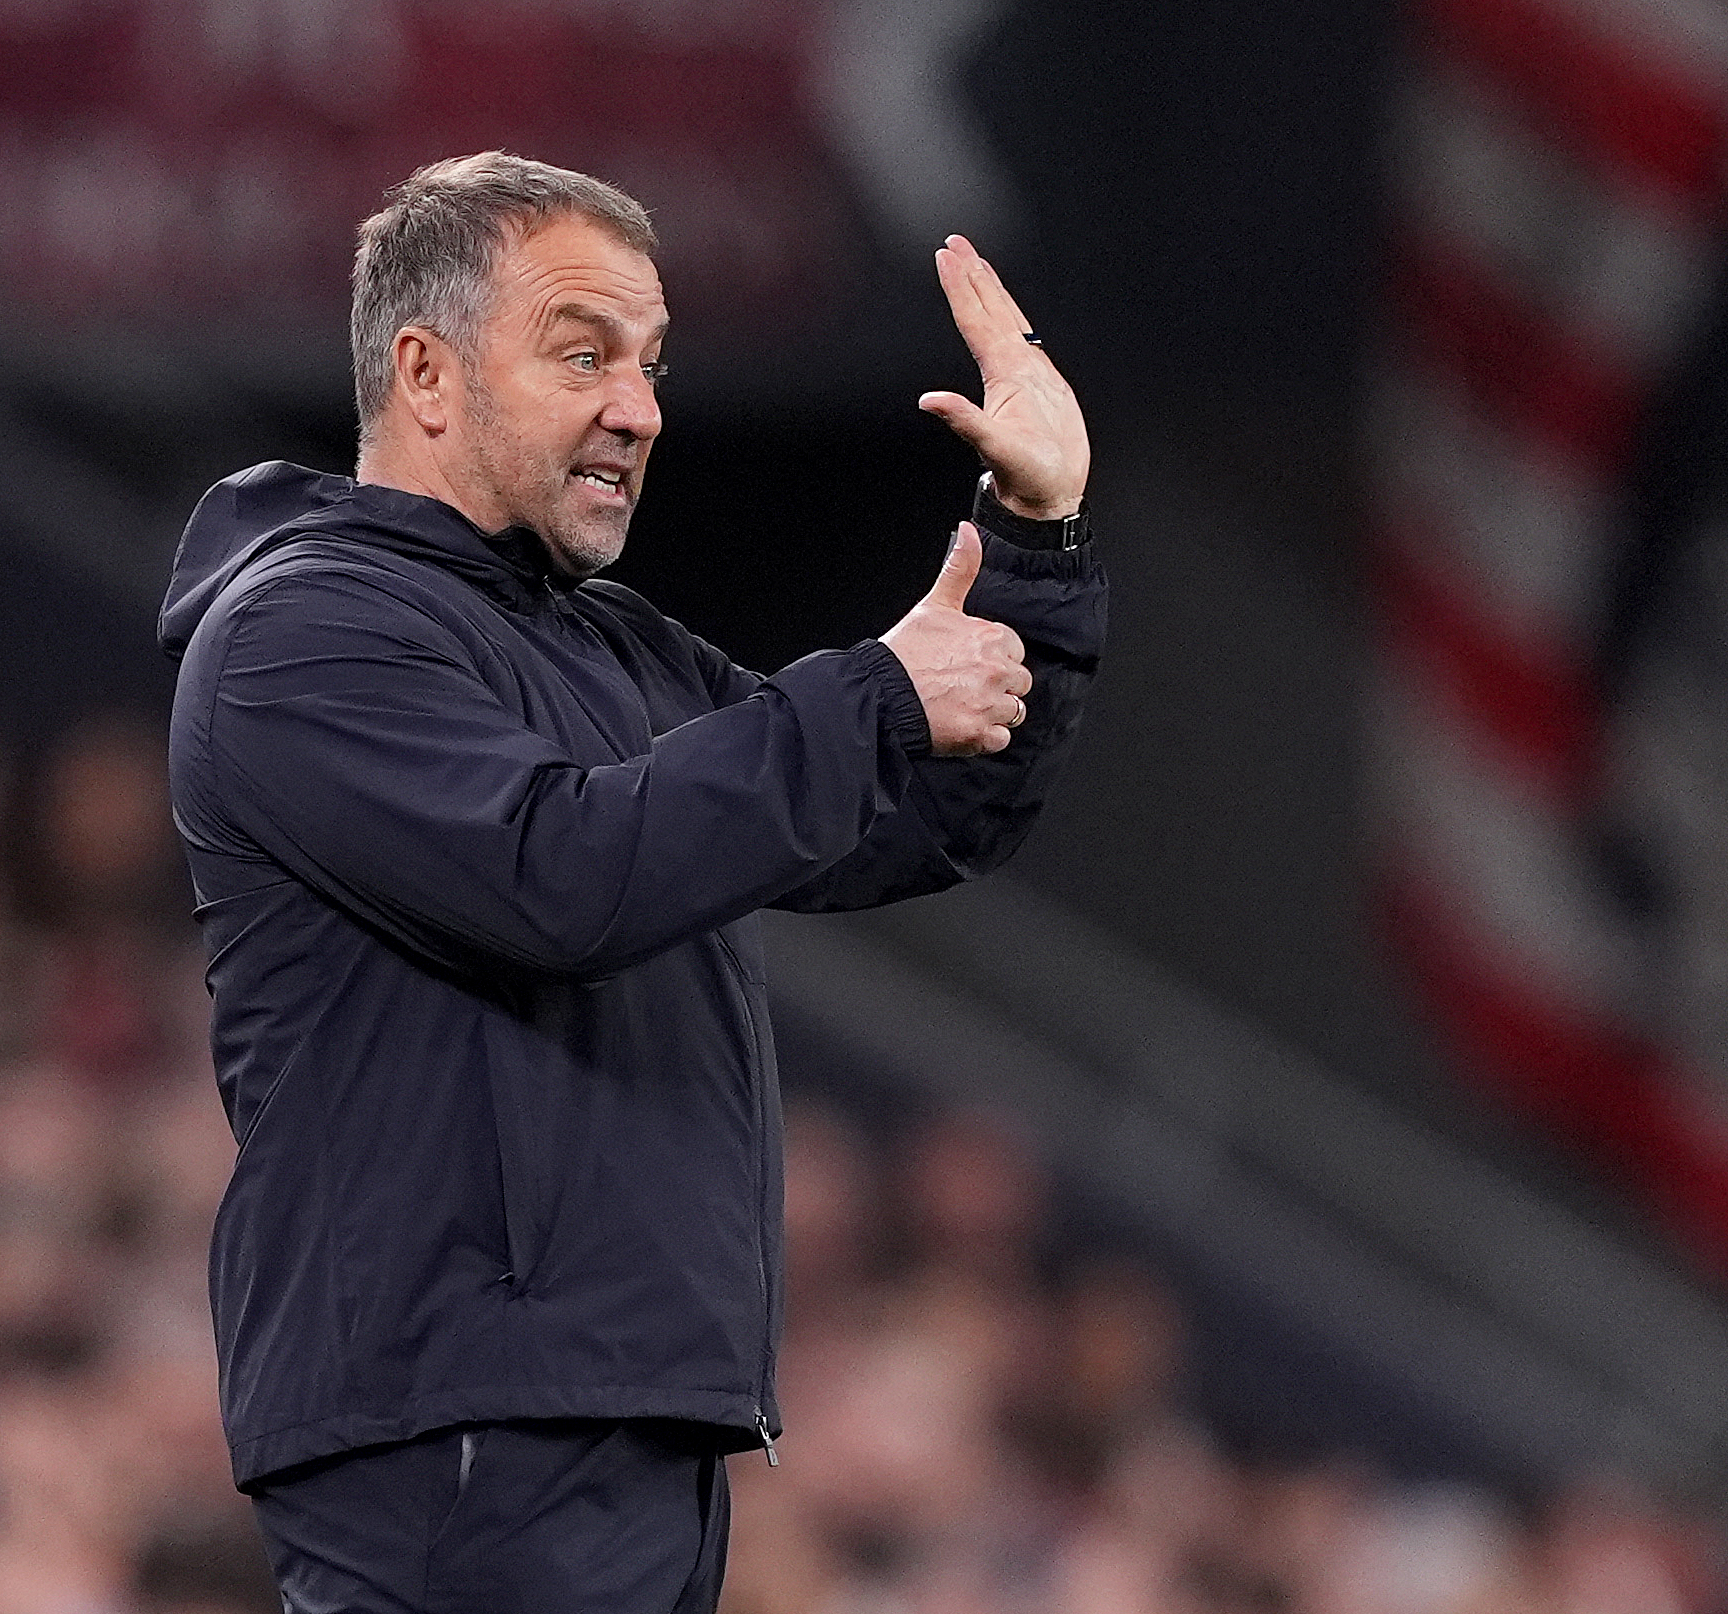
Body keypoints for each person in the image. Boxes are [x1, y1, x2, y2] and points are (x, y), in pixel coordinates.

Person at [159, 152, 1106, 1611]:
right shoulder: (302, 633)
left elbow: (915, 812)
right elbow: (560, 871)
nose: (641, 408)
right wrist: (874, 693)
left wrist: (1035, 537)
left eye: (651, 363)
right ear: (424, 371)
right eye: (583, 352)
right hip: (459, 1421)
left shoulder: (606, 646)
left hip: (615, 1413)